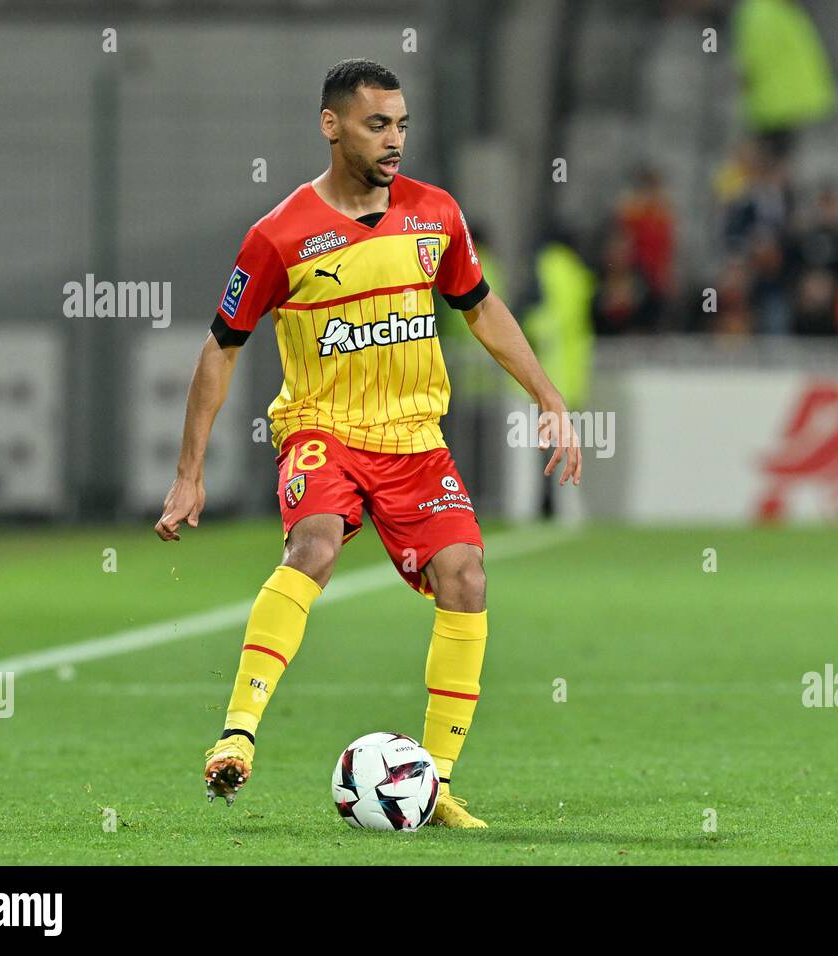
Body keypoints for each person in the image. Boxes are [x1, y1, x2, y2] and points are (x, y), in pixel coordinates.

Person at [153, 59, 581, 828]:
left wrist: (548, 395)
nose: (395, 140)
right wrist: (190, 473)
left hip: (416, 439)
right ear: (332, 126)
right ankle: (237, 737)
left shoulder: (435, 214)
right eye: (377, 124)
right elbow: (220, 349)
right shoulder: (279, 237)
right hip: (323, 427)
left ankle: (433, 785)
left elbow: (480, 308)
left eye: (402, 124)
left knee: (469, 580)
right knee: (313, 546)